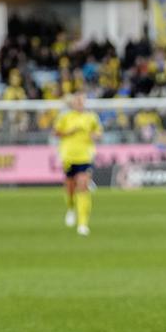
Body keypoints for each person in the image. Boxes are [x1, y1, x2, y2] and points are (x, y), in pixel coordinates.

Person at [53, 93, 102, 236]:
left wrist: (95, 136)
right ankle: (70, 208)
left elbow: (99, 133)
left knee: (83, 185)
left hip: (85, 156)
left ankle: (83, 224)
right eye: (77, 101)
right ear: (72, 103)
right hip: (68, 156)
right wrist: (69, 132)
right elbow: (56, 132)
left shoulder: (91, 118)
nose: (80, 103)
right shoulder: (65, 117)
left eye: (82, 101)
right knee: (70, 187)